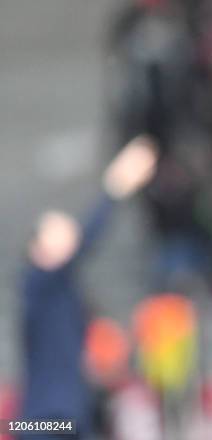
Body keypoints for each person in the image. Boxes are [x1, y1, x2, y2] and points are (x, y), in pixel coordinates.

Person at [20, 136, 157, 439]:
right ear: (37, 248)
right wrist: (115, 185)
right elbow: (86, 239)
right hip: (45, 419)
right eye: (58, 230)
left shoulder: (63, 292)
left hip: (70, 417)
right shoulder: (38, 282)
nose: (70, 234)